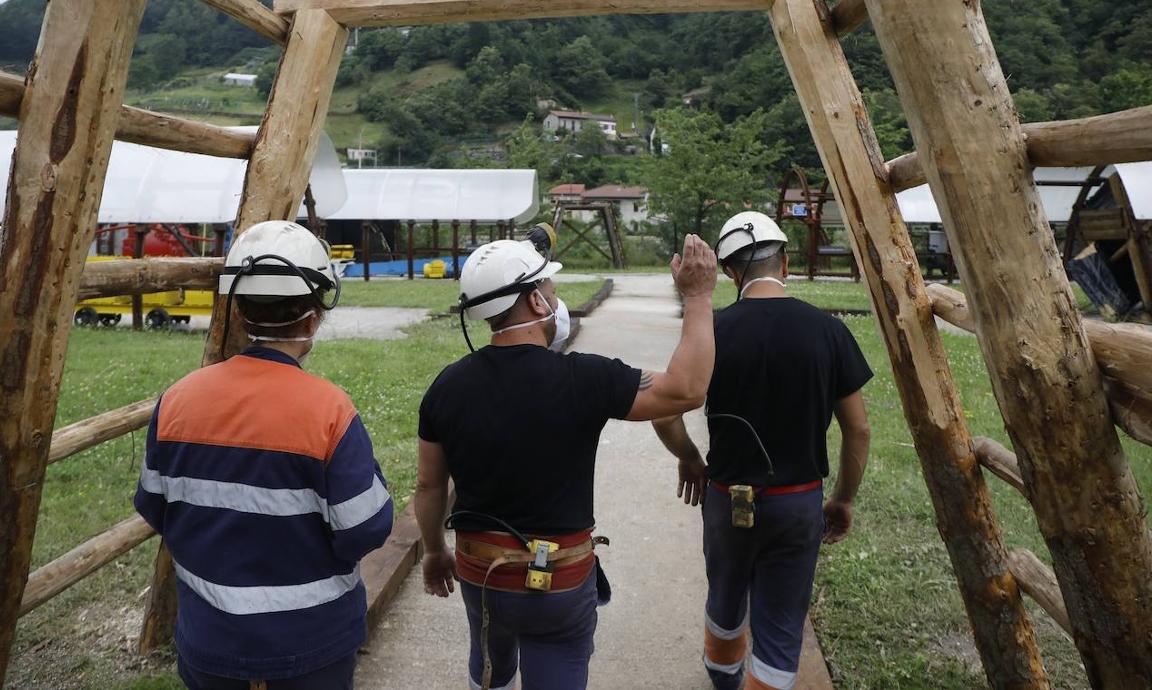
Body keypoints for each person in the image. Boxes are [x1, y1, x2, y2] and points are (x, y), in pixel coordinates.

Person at [414, 232, 718, 690]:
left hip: (481, 573)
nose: (557, 301)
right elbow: (687, 388)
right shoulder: (585, 378)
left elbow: (430, 487)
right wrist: (697, 296)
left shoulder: (446, 387)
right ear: (537, 301)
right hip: (557, 580)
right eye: (552, 292)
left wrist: (436, 551)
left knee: (489, 663)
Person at [134, 220, 393, 690]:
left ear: (239, 312)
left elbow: (155, 506)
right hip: (311, 648)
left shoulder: (176, 400)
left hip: (210, 646)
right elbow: (366, 527)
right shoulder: (330, 411)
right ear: (313, 316)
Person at [652, 211, 872, 690]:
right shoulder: (828, 331)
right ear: (787, 263)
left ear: (731, 273)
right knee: (780, 621)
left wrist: (691, 457)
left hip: (727, 497)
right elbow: (858, 431)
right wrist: (843, 498)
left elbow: (665, 412)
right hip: (798, 502)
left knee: (725, 595)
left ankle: (723, 673)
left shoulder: (711, 330)